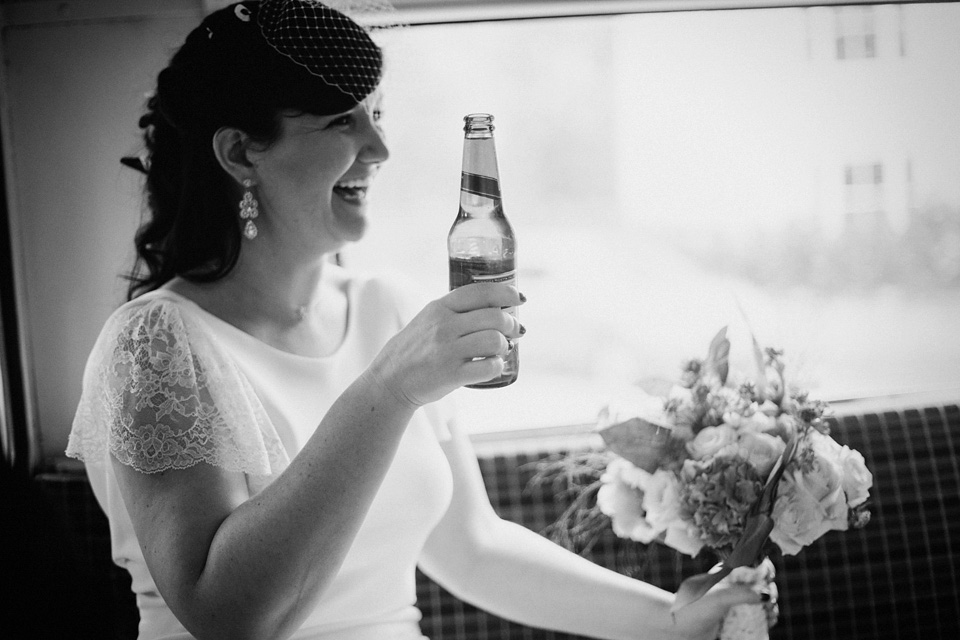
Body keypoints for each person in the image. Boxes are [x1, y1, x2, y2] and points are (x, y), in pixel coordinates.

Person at [66, 2, 766, 639]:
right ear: (241, 152)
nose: (378, 148)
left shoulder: (387, 307)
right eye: (343, 120)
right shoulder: (155, 342)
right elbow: (226, 614)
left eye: (377, 114)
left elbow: (474, 549)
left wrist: (673, 618)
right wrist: (387, 390)